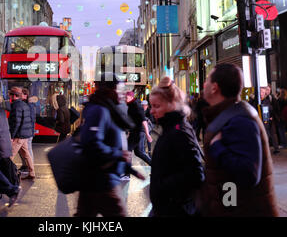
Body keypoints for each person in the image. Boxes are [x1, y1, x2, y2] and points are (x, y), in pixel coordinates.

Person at [199, 63, 278, 216]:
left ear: (215, 87)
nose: (204, 84)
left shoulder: (238, 120)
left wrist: (217, 147)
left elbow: (247, 174)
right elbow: (227, 178)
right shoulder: (230, 114)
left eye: (207, 79)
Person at [75, 73, 144, 217]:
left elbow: (109, 143)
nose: (122, 92)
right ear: (109, 89)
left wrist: (129, 169)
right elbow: (92, 143)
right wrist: (119, 154)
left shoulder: (107, 109)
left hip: (97, 178)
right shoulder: (99, 110)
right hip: (102, 180)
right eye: (119, 88)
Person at [148, 77, 204, 217]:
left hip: (176, 210)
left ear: (171, 104)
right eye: (151, 106)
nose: (151, 111)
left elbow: (196, 174)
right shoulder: (171, 128)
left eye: (157, 106)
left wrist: (162, 186)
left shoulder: (179, 131)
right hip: (167, 208)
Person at [8, 87, 35, 180]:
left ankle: (5, 174)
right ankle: (32, 172)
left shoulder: (16, 106)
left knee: (10, 154)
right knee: (26, 154)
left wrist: (12, 136)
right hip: (25, 134)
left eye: (10, 94)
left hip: (19, 135)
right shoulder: (24, 105)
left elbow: (16, 122)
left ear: (14, 96)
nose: (9, 96)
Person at [125, 91, 152, 166]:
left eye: (126, 98)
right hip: (136, 131)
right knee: (139, 152)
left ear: (131, 97)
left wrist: (147, 134)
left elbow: (144, 121)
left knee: (127, 150)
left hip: (139, 132)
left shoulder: (136, 105)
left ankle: (126, 174)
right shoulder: (130, 105)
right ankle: (155, 166)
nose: (125, 99)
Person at [18, 89, 36, 173]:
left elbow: (31, 119)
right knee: (24, 150)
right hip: (26, 131)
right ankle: (26, 166)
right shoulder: (26, 104)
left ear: (25, 95)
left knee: (27, 149)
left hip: (27, 131)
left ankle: (29, 167)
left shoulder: (29, 105)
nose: (19, 96)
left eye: (21, 94)